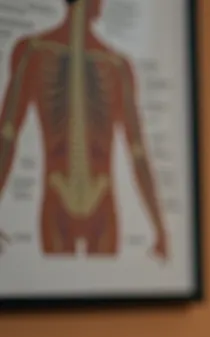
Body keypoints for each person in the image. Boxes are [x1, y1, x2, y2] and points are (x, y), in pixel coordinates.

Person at [0, 0, 169, 259]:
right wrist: (160, 229)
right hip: (60, 197)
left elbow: (138, 151)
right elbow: (7, 135)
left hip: (100, 200)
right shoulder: (32, 52)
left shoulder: (117, 65)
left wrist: (160, 227)